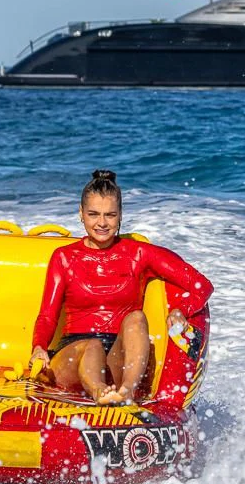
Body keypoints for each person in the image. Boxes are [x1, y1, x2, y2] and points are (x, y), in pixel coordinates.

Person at [27, 170, 211, 405]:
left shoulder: (140, 254)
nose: (101, 223)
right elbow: (47, 315)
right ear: (81, 214)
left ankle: (126, 392)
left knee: (136, 318)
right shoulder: (63, 257)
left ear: (120, 216)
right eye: (93, 214)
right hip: (72, 357)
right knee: (91, 346)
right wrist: (39, 347)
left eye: (110, 215)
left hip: (116, 358)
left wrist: (180, 311)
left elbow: (201, 285)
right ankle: (99, 393)